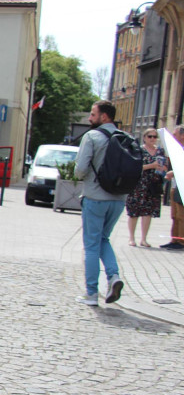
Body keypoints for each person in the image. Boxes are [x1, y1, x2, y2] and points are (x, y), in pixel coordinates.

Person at [74, 100, 126, 306]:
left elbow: (80, 169)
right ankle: (114, 277)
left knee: (92, 245)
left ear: (104, 117)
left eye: (93, 114)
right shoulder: (126, 137)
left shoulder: (92, 136)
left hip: (95, 197)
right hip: (119, 199)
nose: (89, 118)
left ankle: (92, 293)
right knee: (104, 239)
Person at [125, 128, 165, 247]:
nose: (153, 139)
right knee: (134, 211)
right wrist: (151, 165)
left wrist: (162, 169)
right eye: (150, 136)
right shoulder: (139, 150)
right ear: (144, 137)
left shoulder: (160, 151)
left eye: (155, 136)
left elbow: (164, 166)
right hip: (139, 183)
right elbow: (135, 167)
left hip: (153, 184)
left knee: (148, 212)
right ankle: (131, 238)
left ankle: (144, 238)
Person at [159, 125, 184, 251]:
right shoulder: (177, 149)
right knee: (174, 215)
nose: (173, 137)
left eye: (175, 134)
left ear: (182, 135)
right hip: (175, 186)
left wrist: (172, 172)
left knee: (181, 216)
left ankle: (181, 242)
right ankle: (174, 239)